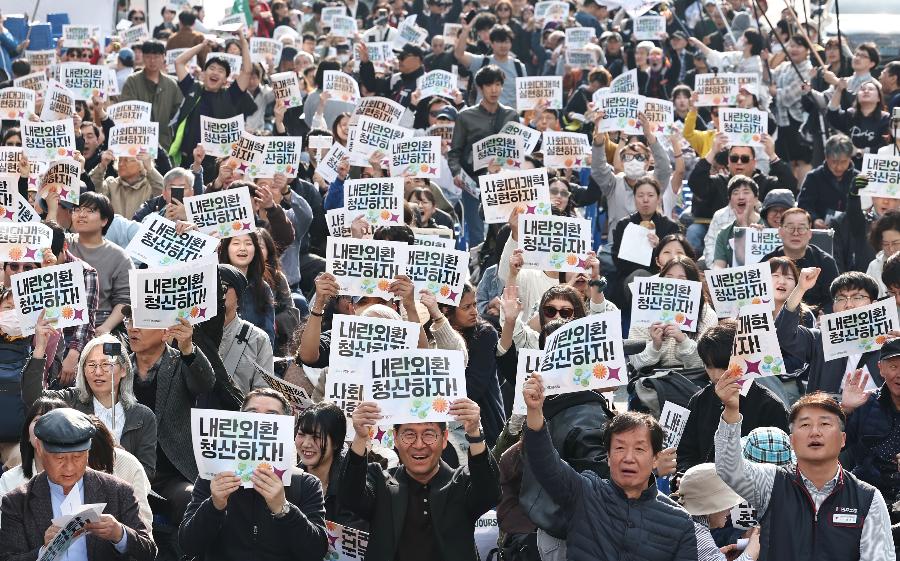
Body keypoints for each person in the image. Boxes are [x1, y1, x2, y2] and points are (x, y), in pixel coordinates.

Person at [520, 373, 696, 560]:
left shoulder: (679, 523)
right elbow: (546, 464)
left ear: (655, 458)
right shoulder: (585, 492)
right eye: (620, 448)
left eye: (639, 449)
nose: (628, 458)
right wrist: (535, 412)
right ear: (609, 457)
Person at [714, 384, 894, 560]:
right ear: (792, 441)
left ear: (843, 439)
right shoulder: (772, 482)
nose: (815, 432)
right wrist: (731, 410)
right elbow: (729, 469)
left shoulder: (868, 498)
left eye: (825, 423)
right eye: (805, 425)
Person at [342, 396, 500, 561]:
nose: (419, 444)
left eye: (429, 434)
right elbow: (349, 496)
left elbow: (489, 493)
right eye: (409, 435)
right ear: (395, 438)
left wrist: (475, 433)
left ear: (444, 438)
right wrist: (360, 437)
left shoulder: (461, 483)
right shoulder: (380, 483)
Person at [179, 388, 328, 561]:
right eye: (252, 414)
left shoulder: (306, 484)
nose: (259, 421)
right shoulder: (214, 476)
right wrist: (214, 505)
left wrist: (283, 509)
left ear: (286, 427)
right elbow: (188, 544)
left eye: (271, 416)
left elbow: (316, 551)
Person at [0, 408, 156, 560]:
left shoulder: (118, 491)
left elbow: (149, 552)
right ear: (39, 448)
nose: (69, 468)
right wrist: (43, 551)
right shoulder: (16, 502)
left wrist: (120, 534)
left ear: (88, 451)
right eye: (59, 459)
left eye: (77, 457)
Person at [124, 304, 215, 529]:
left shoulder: (180, 361)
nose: (132, 329)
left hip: (172, 474)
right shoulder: (118, 366)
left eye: (142, 323)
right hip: (127, 469)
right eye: (129, 322)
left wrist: (188, 348)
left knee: (190, 499)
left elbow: (205, 383)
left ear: (166, 332)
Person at [23, 328, 157, 478]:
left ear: (124, 370)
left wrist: (122, 460)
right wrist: (40, 347)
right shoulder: (70, 401)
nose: (98, 372)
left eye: (106, 364)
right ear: (83, 370)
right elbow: (34, 399)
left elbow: (148, 473)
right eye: (92, 365)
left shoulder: (143, 416)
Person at [677, 321, 789, 473]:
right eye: (709, 366)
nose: (716, 375)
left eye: (724, 366)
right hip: (702, 488)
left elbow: (779, 466)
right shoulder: (700, 400)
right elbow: (685, 452)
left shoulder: (770, 406)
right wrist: (685, 475)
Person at [777, 268, 886, 396]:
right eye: (841, 298)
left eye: (858, 297)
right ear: (833, 307)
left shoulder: (889, 339)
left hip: (877, 411)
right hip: (828, 411)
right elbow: (784, 335)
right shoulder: (820, 339)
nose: (849, 304)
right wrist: (800, 288)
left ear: (873, 304)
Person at [447, 64, 519, 246]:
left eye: (498, 84)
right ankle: (477, 272)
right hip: (473, 182)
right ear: (480, 88)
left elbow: (518, 148)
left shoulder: (511, 115)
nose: (494, 90)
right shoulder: (465, 117)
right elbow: (454, 151)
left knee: (506, 232)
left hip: (504, 182)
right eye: (489, 85)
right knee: (476, 235)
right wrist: (456, 173)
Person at [628, 256, 718, 373]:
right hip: (651, 383)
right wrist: (655, 345)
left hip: (693, 383)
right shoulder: (644, 311)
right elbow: (636, 362)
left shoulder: (706, 314)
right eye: (669, 277)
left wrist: (682, 340)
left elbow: (705, 363)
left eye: (682, 279)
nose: (674, 283)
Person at [841, 341, 900, 511]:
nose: (899, 374)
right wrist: (845, 410)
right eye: (894, 367)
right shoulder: (864, 403)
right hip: (864, 496)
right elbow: (833, 444)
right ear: (881, 368)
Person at [66, 192, 134, 335]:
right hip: (62, 323)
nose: (81, 214)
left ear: (104, 220)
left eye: (90, 211)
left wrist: (106, 328)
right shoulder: (64, 245)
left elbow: (125, 299)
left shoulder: (119, 257)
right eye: (77, 209)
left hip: (100, 325)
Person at [672, 463, 760, 561]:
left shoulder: (683, 521)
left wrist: (715, 555)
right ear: (710, 507)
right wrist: (752, 551)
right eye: (727, 503)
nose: (732, 509)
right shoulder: (696, 533)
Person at [762, 208, 840, 313]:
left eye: (802, 228)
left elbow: (834, 298)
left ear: (810, 233)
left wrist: (825, 314)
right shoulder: (767, 263)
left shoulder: (825, 262)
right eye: (790, 227)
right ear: (780, 232)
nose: (795, 233)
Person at [216, 264, 273, 394]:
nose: (217, 292)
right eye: (211, 287)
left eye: (223, 287)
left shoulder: (258, 338)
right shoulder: (189, 334)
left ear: (239, 293)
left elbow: (262, 393)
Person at [120, 40, 184, 151]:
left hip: (164, 142)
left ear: (163, 57)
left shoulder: (171, 84)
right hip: (137, 141)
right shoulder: (132, 81)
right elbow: (127, 109)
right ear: (143, 57)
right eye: (148, 57)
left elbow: (177, 113)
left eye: (156, 56)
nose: (152, 61)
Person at [797, 134, 859, 229]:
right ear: (826, 157)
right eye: (834, 162)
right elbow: (804, 205)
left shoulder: (858, 178)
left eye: (843, 162)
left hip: (851, 231)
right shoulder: (813, 177)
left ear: (850, 158)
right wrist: (814, 219)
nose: (838, 167)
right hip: (822, 230)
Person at [88, 151, 164, 221]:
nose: (121, 164)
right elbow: (92, 192)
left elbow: (164, 193)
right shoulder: (111, 184)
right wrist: (102, 165)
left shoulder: (151, 186)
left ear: (141, 164)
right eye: (119, 160)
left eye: (127, 160)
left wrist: (150, 168)